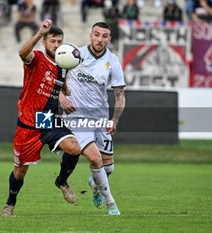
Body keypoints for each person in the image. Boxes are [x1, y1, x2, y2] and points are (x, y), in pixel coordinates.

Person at [2, 19, 81, 217]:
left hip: (48, 118)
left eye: (59, 41)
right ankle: (10, 204)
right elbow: (21, 53)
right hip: (29, 122)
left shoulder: (64, 64)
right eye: (52, 41)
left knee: (74, 148)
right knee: (20, 172)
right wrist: (39, 33)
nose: (56, 45)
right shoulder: (36, 58)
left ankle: (61, 181)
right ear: (45, 43)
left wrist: (65, 90)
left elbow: (59, 82)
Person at [59, 22, 125, 215]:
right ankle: (111, 204)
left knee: (108, 169)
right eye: (96, 34)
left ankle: (95, 184)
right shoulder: (74, 55)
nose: (100, 39)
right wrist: (62, 98)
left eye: (104, 36)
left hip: (100, 118)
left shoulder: (112, 61)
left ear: (109, 39)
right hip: (76, 117)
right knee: (95, 159)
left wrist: (115, 119)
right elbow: (54, 82)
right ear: (90, 35)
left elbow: (120, 96)